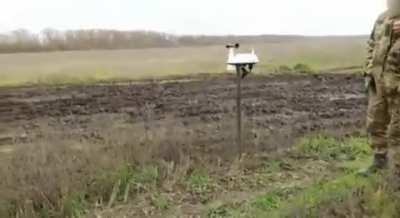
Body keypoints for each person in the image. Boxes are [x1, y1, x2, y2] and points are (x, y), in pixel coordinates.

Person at [360, 0, 400, 177]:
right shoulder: (382, 19)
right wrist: (369, 70)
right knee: (375, 121)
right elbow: (372, 44)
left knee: (397, 129)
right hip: (378, 80)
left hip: (396, 83)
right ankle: (380, 159)